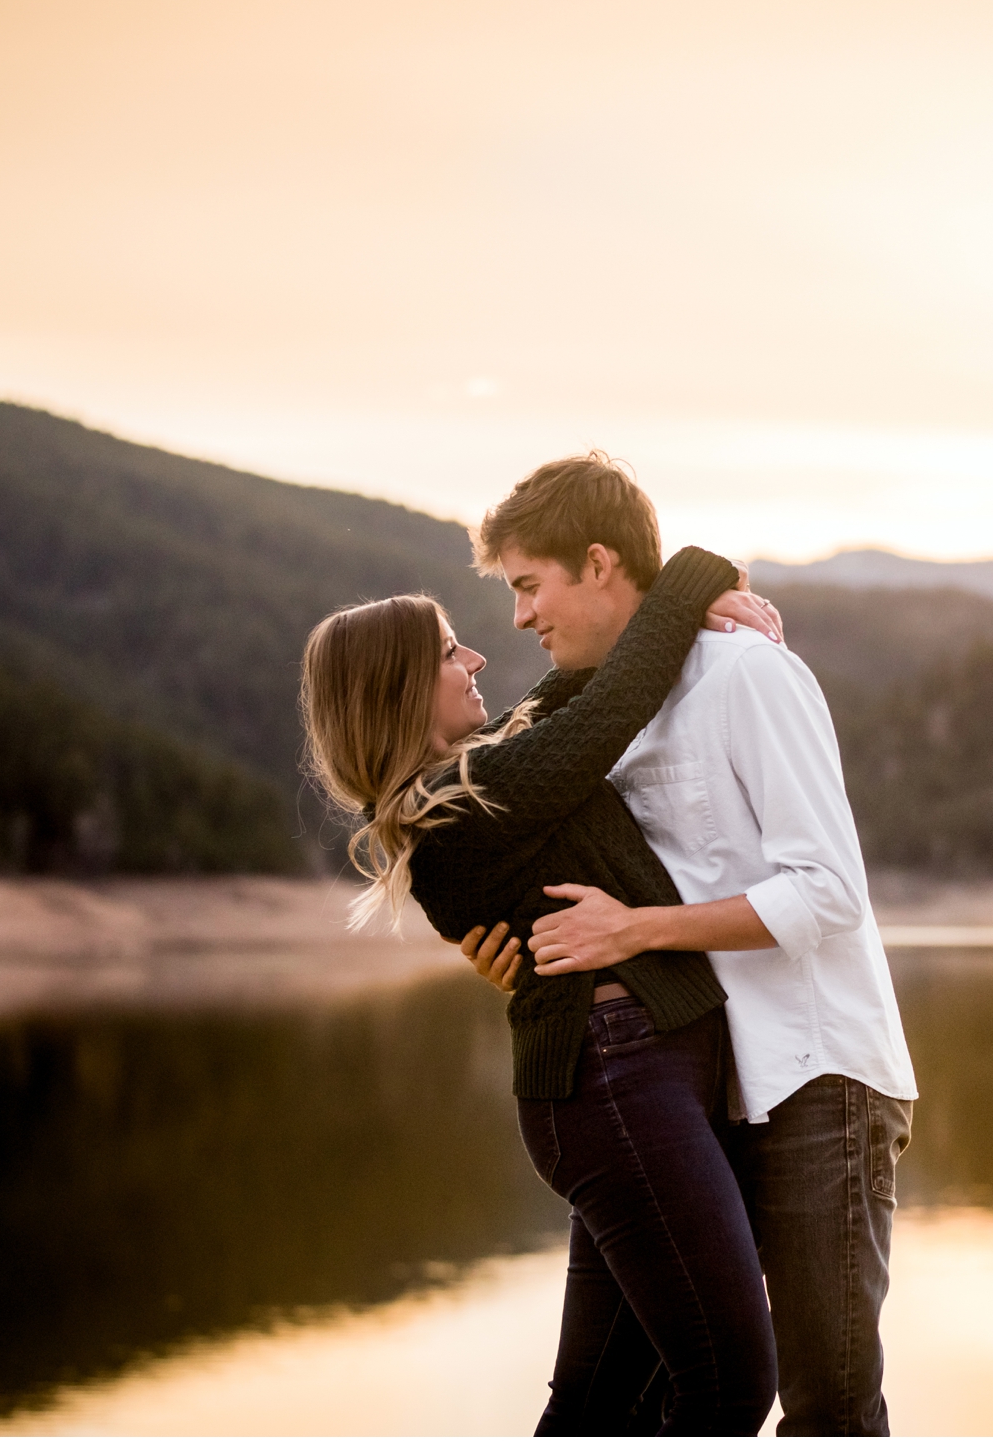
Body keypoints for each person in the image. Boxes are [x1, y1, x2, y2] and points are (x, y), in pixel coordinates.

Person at [458, 453, 919, 1437]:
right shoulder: (593, 707)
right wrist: (511, 951)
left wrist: (636, 929)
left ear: (598, 563)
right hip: (702, 1086)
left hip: (817, 1077)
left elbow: (827, 890)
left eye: (528, 587)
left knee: (830, 1406)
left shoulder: (747, 674)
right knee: (671, 1389)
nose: (519, 619)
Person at [298, 545, 788, 1436]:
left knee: (601, 1407)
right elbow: (607, 709)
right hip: (622, 1093)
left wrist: (645, 603)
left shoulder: (484, 774)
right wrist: (695, 572)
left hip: (624, 1090)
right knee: (729, 1384)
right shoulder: (464, 799)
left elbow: (562, 700)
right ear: (401, 689)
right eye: (451, 651)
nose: (478, 657)